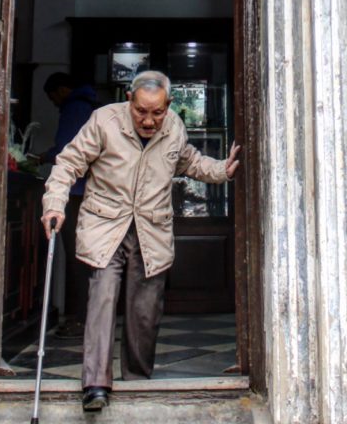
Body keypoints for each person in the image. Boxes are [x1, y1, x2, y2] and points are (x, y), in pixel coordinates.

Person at [40, 70, 241, 413]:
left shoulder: (174, 126)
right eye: (141, 111)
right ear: (129, 100)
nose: (149, 120)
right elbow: (68, 164)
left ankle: (136, 380)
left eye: (157, 112)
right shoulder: (104, 121)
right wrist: (54, 204)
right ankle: (96, 384)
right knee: (102, 299)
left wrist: (222, 170)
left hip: (151, 230)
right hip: (106, 226)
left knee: (145, 312)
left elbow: (189, 162)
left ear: (169, 106)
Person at [38, 71, 98, 336]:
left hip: (75, 192)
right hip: (91, 191)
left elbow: (67, 151)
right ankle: (90, 318)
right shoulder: (91, 108)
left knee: (78, 257)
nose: (53, 102)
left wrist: (45, 156)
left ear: (62, 90)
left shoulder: (75, 109)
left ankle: (81, 319)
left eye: (53, 96)